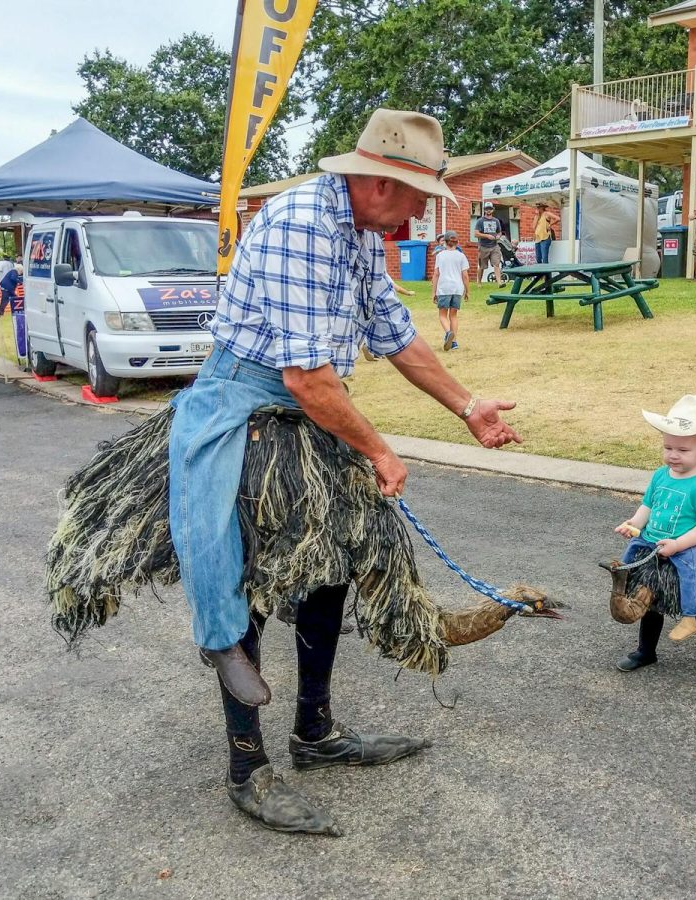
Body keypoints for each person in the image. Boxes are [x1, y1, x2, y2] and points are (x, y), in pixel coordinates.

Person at [165, 109, 523, 834]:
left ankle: (316, 735)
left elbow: (393, 331)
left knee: (331, 565)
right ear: (380, 184)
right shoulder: (302, 224)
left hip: (311, 403)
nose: (424, 209)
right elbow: (306, 377)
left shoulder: (361, 232)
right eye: (419, 195)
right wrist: (380, 450)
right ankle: (246, 764)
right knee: (240, 566)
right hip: (245, 400)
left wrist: (466, 406)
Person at [613, 395, 696, 681]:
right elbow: (648, 505)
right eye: (668, 447)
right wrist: (633, 523)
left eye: (683, 449)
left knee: (691, 592)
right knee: (649, 599)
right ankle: (646, 650)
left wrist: (679, 545)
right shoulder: (661, 475)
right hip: (652, 544)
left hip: (686, 549)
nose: (673, 454)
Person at [432, 231, 470, 351]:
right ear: (457, 242)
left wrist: (434, 292)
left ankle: (448, 333)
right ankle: (454, 342)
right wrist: (467, 290)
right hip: (457, 288)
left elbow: (436, 274)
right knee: (453, 315)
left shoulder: (440, 255)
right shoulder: (461, 256)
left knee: (443, 315)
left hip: (444, 287)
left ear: (445, 242)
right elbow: (465, 275)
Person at [473, 201, 505, 283]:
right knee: (482, 266)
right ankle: (479, 282)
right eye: (487, 209)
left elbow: (499, 232)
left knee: (496, 264)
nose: (488, 210)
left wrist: (498, 236)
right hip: (483, 246)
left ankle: (499, 283)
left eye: (490, 209)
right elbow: (476, 234)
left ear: (493, 210)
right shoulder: (480, 221)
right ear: (484, 210)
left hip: (494, 246)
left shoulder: (496, 221)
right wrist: (487, 236)